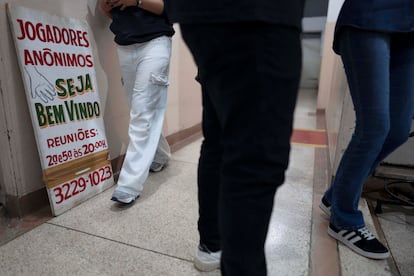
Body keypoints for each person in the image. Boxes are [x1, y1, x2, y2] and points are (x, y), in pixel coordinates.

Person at [166, 1, 305, 275]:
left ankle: (211, 244)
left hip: (210, 16)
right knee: (256, 161)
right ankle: (216, 248)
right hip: (256, 13)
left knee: (218, 141)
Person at [319, 0, 414, 260]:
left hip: (409, 28)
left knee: (398, 130)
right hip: (369, 15)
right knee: (374, 127)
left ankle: (334, 196)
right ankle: (344, 220)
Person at [99, 0, 174, 204]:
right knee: (139, 108)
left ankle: (128, 185)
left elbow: (170, 8)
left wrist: (137, 1)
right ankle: (160, 157)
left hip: (156, 42)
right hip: (125, 46)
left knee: (142, 111)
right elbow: (104, 9)